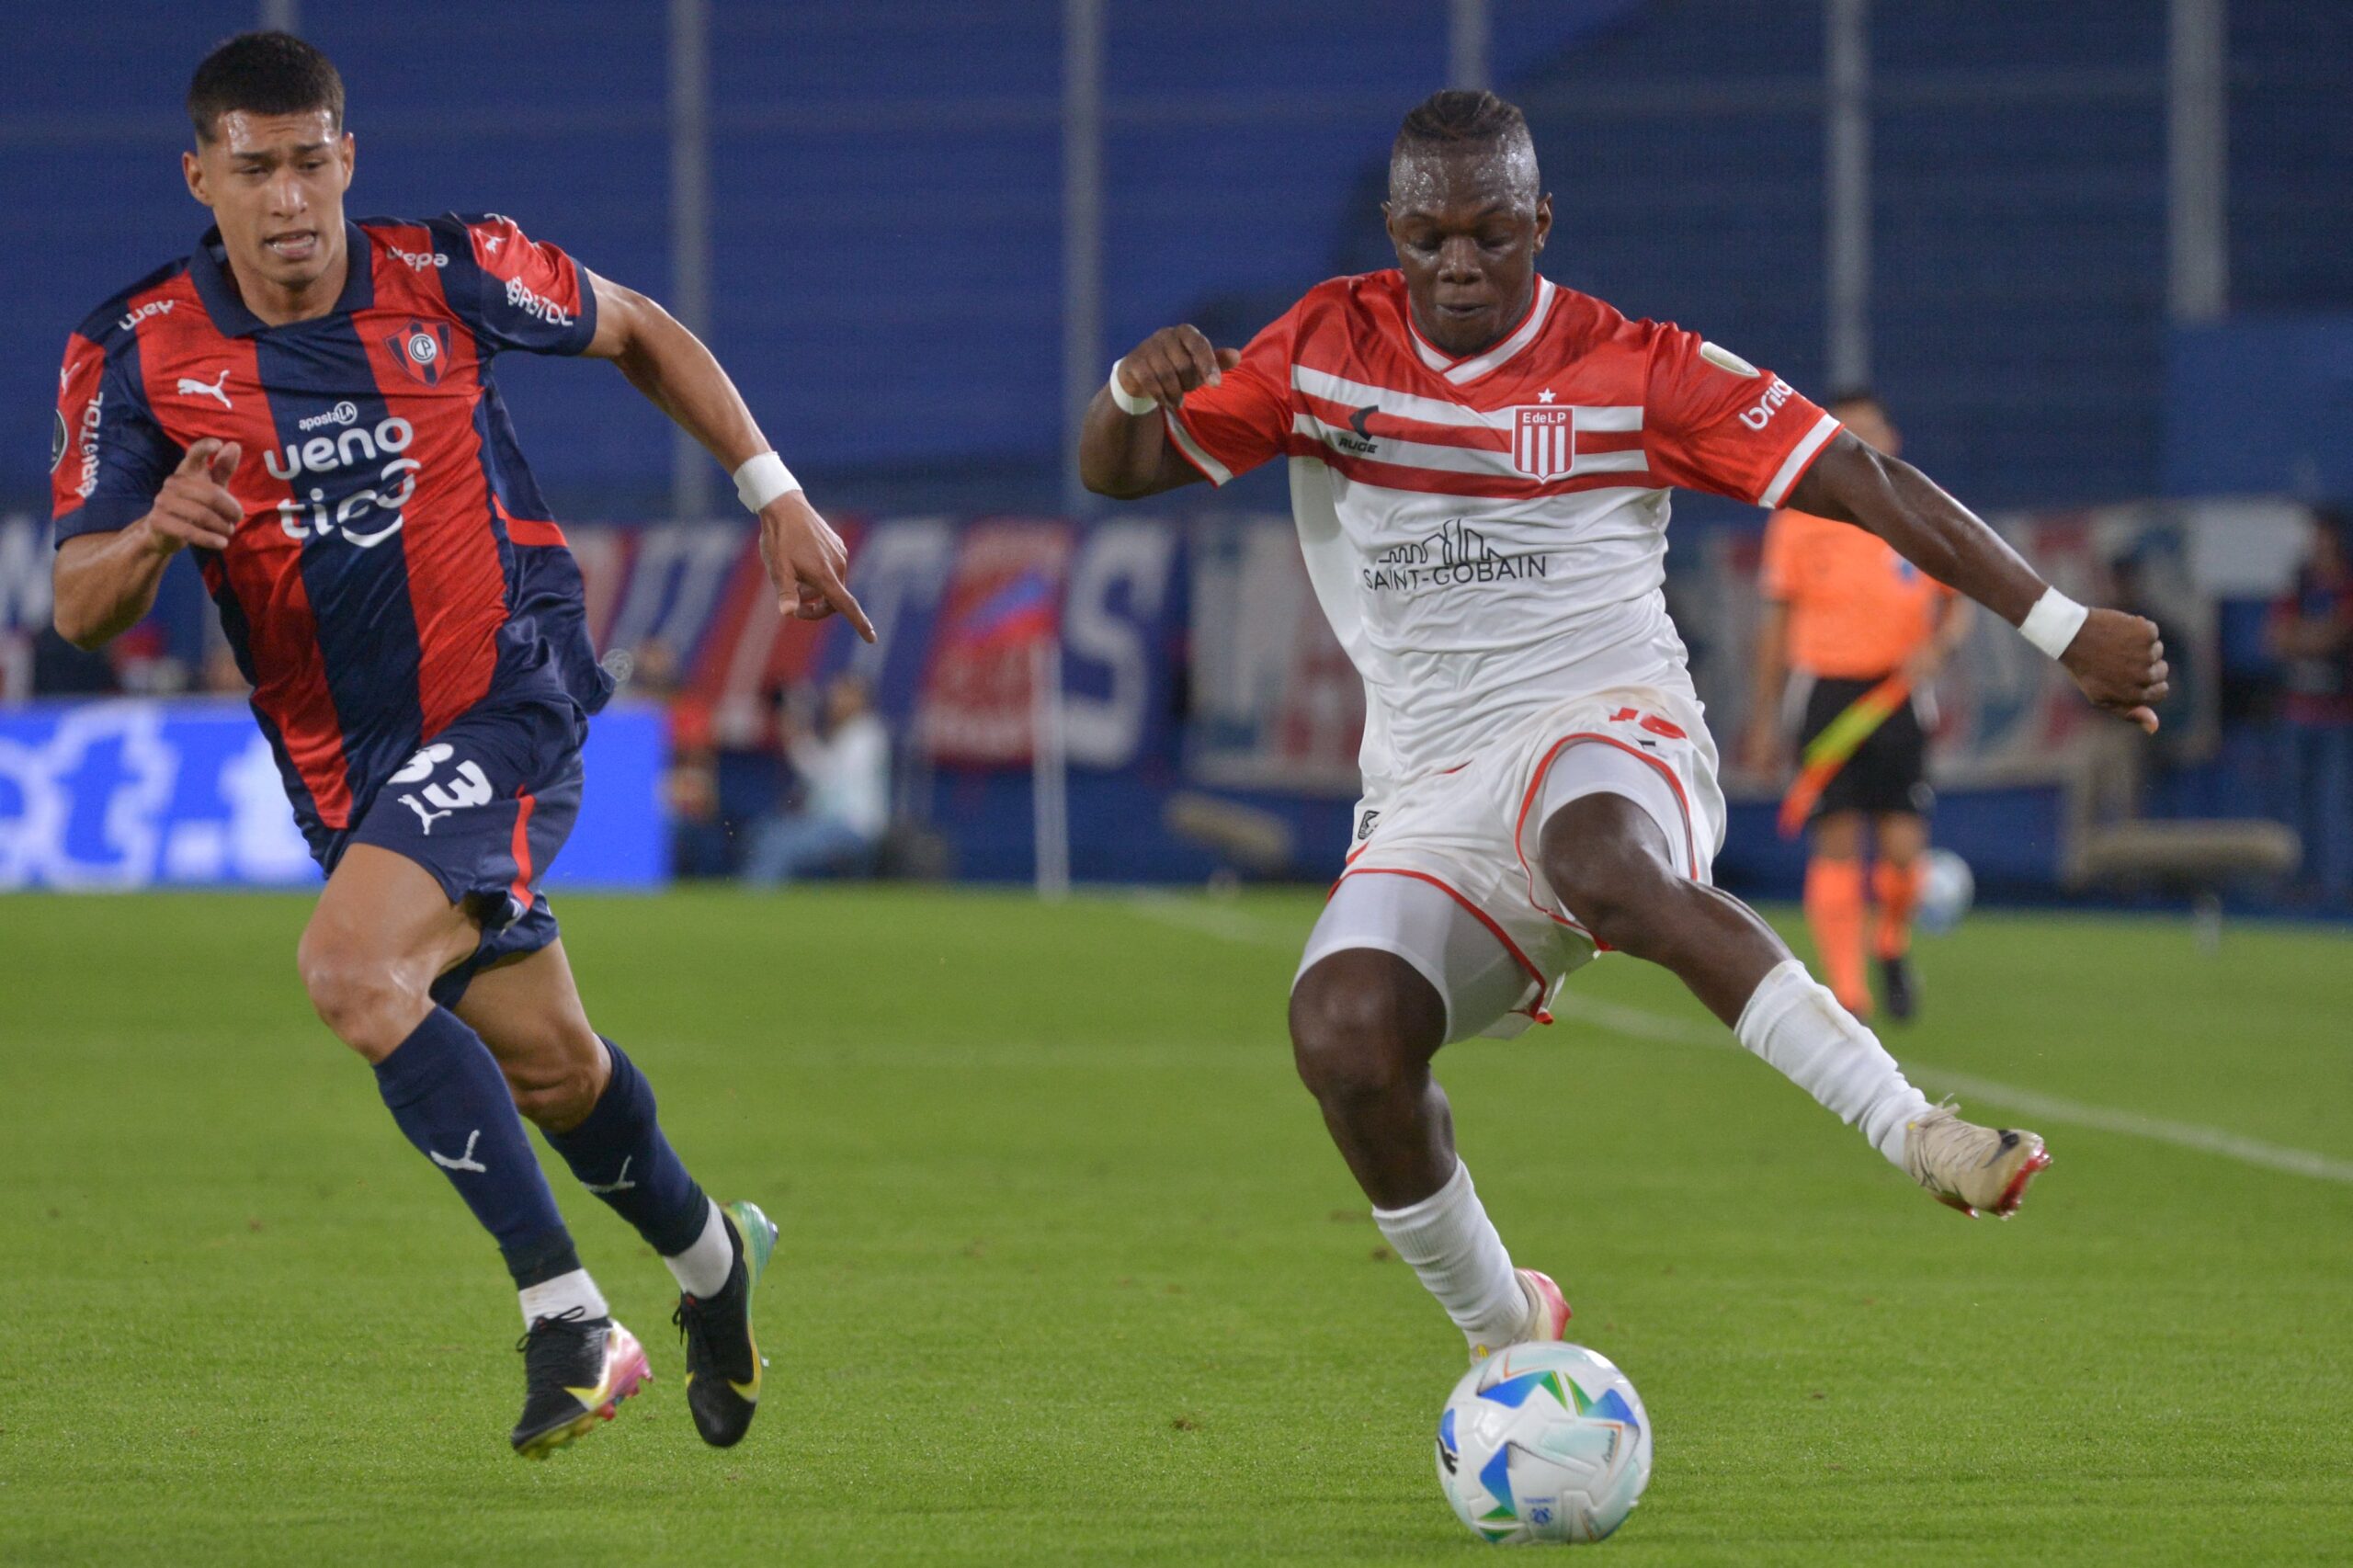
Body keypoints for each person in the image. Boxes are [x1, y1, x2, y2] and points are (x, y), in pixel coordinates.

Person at [1078, 90, 2166, 1361]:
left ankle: (1914, 1127)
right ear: (1393, 230)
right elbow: (1121, 468)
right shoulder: (1326, 346)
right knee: (1344, 1034)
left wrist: (2059, 625)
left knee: (1601, 859)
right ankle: (1508, 1335)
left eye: (1493, 231)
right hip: (1431, 787)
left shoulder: (1638, 368)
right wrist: (1123, 388)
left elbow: (1860, 480)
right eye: (1430, 236)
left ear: (1542, 221)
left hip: (1608, 726)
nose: (1460, 263)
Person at [48, 33, 873, 1457]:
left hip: (509, 689)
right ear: (203, 176)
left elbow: (640, 327)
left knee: (350, 969)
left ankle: (571, 1321)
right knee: (555, 1066)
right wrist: (152, 536)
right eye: (257, 169)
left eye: (313, 161)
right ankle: (712, 1266)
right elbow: (77, 602)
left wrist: (773, 490)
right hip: (342, 763)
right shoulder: (132, 355)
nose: (291, 197)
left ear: (348, 158)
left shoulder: (453, 270)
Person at [1743, 392, 1973, 1020]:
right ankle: (1849, 991)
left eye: (1871, 432)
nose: (1861, 445)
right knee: (1836, 838)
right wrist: (1763, 720)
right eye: (1848, 435)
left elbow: (1960, 604)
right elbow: (1775, 627)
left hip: (1897, 693)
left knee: (1903, 848)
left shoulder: (1919, 513)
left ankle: (1892, 943)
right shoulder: (1797, 519)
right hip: (1826, 693)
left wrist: (1938, 647)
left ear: (1892, 441)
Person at [2267, 510, 2353, 901]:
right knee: (2296, 806)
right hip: (2297, 712)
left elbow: (2337, 635)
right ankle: (2299, 888)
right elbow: (2275, 638)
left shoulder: (2346, 584)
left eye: (2328, 536)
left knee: (2337, 805)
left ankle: (2338, 890)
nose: (2322, 544)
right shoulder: (2298, 583)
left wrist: (2305, 636)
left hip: (2340, 715)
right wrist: (2313, 636)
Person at [743, 674, 892, 883]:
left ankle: (755, 905)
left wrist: (797, 738)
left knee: (778, 844)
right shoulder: (844, 733)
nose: (834, 700)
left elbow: (828, 778)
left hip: (852, 825)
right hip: (828, 821)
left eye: (842, 695)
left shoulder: (865, 735)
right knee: (763, 832)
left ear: (860, 700)